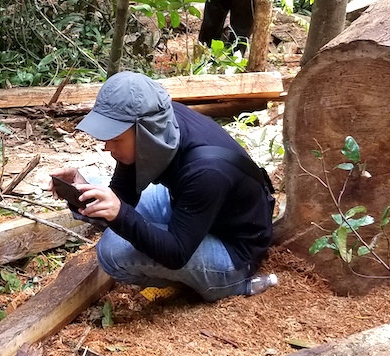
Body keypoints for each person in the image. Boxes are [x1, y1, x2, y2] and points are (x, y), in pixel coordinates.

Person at [48, 72, 275, 301]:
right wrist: (79, 192)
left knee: (112, 250)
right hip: (194, 212)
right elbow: (122, 196)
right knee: (97, 188)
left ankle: (229, 285)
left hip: (233, 251)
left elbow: (176, 254)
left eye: (116, 139)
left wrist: (121, 216)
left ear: (146, 132)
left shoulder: (206, 170)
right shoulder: (157, 125)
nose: (107, 147)